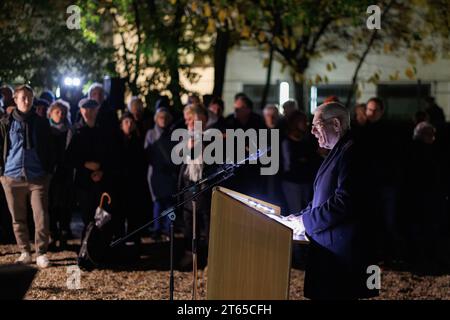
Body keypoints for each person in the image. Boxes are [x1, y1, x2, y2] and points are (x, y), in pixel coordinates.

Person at [286, 102, 379, 300]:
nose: (311, 131)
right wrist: (301, 216)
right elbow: (323, 196)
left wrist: (306, 222)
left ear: (336, 124)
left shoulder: (352, 152)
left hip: (343, 256)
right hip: (332, 249)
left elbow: (345, 201)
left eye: (317, 125)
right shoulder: (340, 150)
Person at [0, 85, 55, 268]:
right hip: (12, 175)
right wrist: (2, 174)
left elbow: (49, 147)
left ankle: (41, 252)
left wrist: (48, 171)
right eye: (23, 97)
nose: (27, 101)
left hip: (37, 176)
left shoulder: (40, 122)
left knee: (40, 215)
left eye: (29, 98)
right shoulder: (6, 122)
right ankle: (25, 251)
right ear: (15, 99)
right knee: (17, 217)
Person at [66, 98, 119, 233]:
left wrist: (102, 170)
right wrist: (84, 164)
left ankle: (101, 245)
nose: (89, 112)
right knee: (87, 217)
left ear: (97, 110)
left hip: (103, 180)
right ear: (81, 110)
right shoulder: (75, 131)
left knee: (103, 217)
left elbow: (112, 154)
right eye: (86, 109)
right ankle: (89, 246)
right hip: (83, 182)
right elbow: (69, 157)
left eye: (92, 109)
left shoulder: (105, 131)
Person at [116, 113, 151, 246]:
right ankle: (119, 240)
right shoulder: (116, 141)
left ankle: (133, 241)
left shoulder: (138, 140)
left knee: (134, 214)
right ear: (121, 124)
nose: (129, 125)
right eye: (126, 122)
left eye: (131, 122)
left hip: (134, 183)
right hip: (120, 182)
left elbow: (142, 162)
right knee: (120, 214)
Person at [144, 108, 178, 241]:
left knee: (170, 204)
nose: (163, 120)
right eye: (160, 117)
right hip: (156, 173)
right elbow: (147, 152)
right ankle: (157, 228)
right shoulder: (151, 133)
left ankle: (170, 228)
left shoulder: (173, 134)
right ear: (156, 119)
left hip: (169, 173)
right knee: (157, 202)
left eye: (165, 117)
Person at [47, 99, 75, 250]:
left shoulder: (70, 130)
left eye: (63, 112)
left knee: (65, 205)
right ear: (50, 113)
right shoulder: (46, 130)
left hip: (65, 172)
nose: (61, 114)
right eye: (57, 111)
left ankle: (64, 233)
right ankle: (52, 234)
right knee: (51, 205)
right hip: (51, 172)